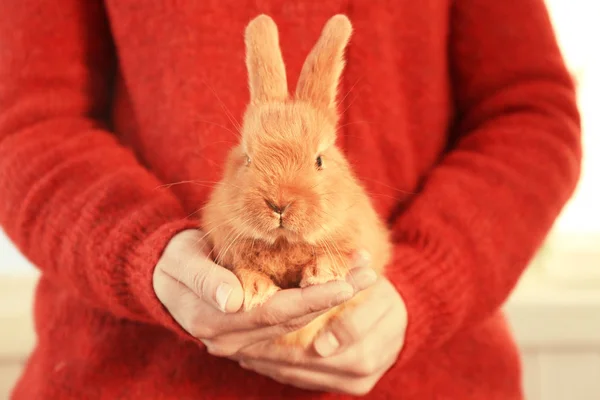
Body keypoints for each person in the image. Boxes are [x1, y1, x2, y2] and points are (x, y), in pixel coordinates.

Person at [0, 0, 580, 399]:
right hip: (127, 379)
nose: (279, 200)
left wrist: (426, 285)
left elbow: (529, 111)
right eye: (252, 162)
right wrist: (146, 254)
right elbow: (25, 124)